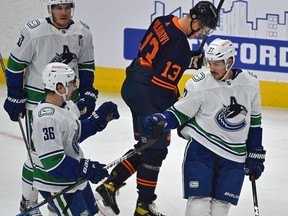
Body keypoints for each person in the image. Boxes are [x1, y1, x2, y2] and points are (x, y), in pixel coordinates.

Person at [95, 1, 219, 215]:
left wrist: (187, 60)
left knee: (146, 146)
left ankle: (111, 186)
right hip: (148, 94)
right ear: (195, 21)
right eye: (204, 28)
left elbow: (157, 53)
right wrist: (179, 113)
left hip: (133, 83)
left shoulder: (163, 21)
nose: (202, 33)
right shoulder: (181, 48)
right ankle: (143, 207)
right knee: (156, 149)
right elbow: (162, 88)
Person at [142, 38, 266, 216]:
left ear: (230, 61)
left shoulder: (250, 84)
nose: (212, 68)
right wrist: (161, 120)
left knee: (221, 206)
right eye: (209, 63)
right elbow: (180, 113)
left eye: (217, 63)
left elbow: (255, 122)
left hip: (234, 155)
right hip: (202, 148)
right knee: (198, 202)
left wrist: (255, 151)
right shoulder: (199, 84)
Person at [3, 0, 98, 215]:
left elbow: (86, 65)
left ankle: (59, 202)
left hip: (67, 101)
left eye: (67, 7)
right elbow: (15, 66)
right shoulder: (33, 32)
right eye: (58, 8)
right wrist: (15, 95)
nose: (63, 13)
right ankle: (29, 202)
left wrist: (88, 91)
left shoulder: (82, 31)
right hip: (38, 103)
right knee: (37, 156)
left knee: (66, 150)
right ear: (49, 9)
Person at [30, 62, 119, 215]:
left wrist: (96, 122)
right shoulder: (47, 118)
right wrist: (85, 169)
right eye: (70, 84)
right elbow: (53, 162)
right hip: (57, 184)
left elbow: (71, 134)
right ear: (59, 87)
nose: (74, 87)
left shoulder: (67, 105)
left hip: (74, 178)